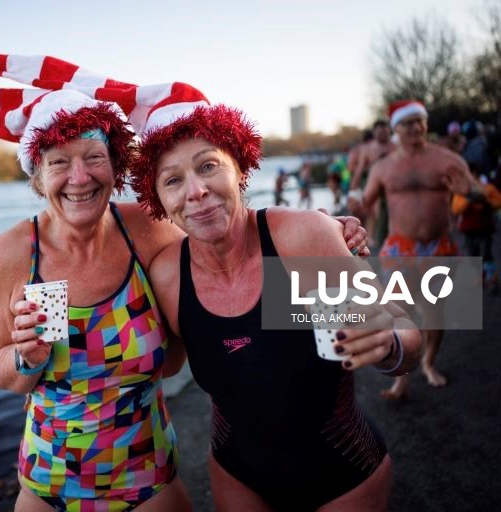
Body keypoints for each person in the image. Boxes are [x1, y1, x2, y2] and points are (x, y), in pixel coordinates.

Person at [0, 42, 370, 511]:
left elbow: (222, 227)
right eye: (59, 163)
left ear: (115, 166)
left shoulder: (147, 232)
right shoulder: (10, 254)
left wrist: (320, 232)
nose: (79, 177)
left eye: (93, 157)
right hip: (47, 482)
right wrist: (25, 357)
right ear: (37, 177)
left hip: (147, 476)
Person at [127, 87, 422, 512]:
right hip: (237, 476)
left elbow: (406, 335)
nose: (195, 191)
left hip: (343, 472)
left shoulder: (299, 239)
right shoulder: (168, 275)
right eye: (173, 180)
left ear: (240, 171)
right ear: (160, 200)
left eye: (208, 166)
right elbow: (163, 361)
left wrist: (388, 345)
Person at [361, 100, 480, 400]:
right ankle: (402, 379)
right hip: (400, 247)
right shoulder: (383, 167)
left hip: (438, 247)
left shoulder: (446, 159)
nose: (415, 127)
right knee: (401, 313)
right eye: (408, 123)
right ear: (395, 129)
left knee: (433, 311)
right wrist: (353, 215)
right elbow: (365, 202)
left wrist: (471, 192)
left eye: (420, 121)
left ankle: (428, 363)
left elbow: (477, 189)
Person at [349, 120, 396, 250]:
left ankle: (388, 237)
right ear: (375, 132)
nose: (383, 133)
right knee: (373, 211)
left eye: (385, 130)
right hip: (373, 184)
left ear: (389, 131)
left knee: (391, 213)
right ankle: (374, 238)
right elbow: (358, 169)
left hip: (393, 186)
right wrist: (353, 188)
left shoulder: (396, 146)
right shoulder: (368, 149)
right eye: (379, 130)